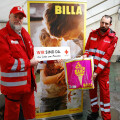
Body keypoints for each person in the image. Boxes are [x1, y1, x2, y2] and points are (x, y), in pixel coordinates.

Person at [0, 6, 39, 120]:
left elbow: (32, 55)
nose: (18, 19)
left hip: (28, 85)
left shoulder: (24, 33)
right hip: (14, 89)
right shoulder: (2, 35)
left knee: (31, 114)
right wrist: (29, 63)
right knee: (12, 115)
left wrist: (50, 59)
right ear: (9, 17)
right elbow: (7, 62)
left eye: (21, 17)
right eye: (15, 16)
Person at [83, 15, 118, 120]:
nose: (103, 25)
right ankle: (94, 112)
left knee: (104, 94)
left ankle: (106, 117)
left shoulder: (113, 38)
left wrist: (96, 73)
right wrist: (85, 55)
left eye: (106, 23)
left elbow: (106, 58)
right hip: (90, 69)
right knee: (92, 92)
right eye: (102, 22)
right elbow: (87, 48)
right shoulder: (92, 34)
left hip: (102, 72)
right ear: (100, 22)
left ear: (110, 25)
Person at [37, 28, 67, 112]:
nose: (57, 49)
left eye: (58, 46)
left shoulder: (62, 57)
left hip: (62, 96)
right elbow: (44, 80)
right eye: (54, 46)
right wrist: (61, 75)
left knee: (62, 117)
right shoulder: (43, 59)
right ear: (45, 46)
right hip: (47, 98)